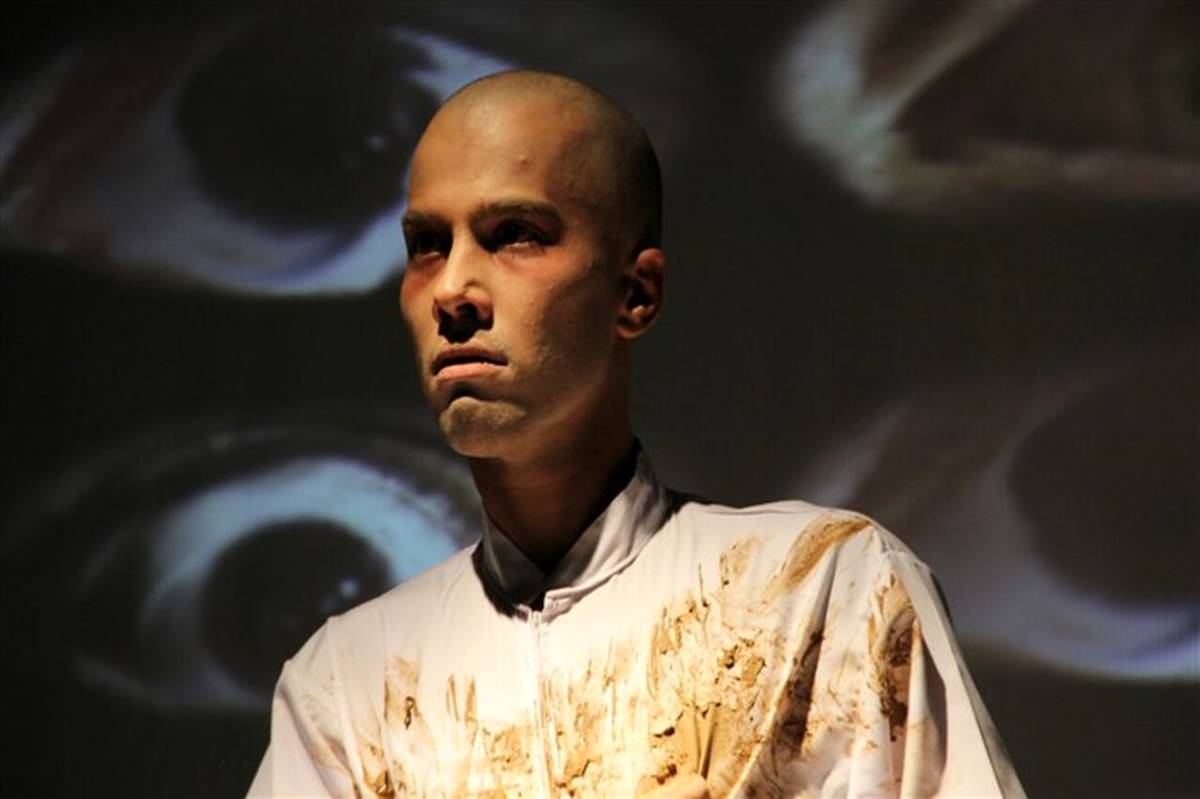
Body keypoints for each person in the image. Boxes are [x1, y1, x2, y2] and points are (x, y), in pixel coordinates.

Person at [248, 70, 1024, 798]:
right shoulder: (345, 685)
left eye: (514, 233)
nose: (452, 289)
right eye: (428, 244)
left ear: (636, 293)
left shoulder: (822, 590)